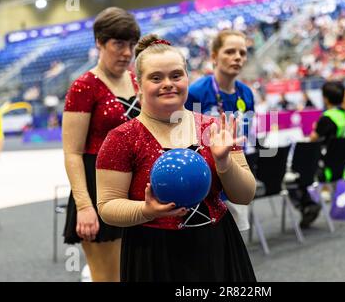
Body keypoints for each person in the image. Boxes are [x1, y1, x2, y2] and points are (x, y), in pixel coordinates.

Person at [95, 34, 256, 282]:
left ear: (187, 79)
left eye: (176, 75)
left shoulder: (214, 128)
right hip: (153, 254)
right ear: (138, 85)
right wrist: (146, 210)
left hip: (216, 246)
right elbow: (107, 207)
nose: (168, 84)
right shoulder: (121, 138)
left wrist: (224, 163)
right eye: (156, 78)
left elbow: (245, 195)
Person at [62, 7, 141, 282]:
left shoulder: (136, 80)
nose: (127, 53)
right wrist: (85, 206)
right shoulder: (84, 87)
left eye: (131, 45)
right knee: (108, 278)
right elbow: (72, 153)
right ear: (99, 42)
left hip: (135, 189)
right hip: (98, 190)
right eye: (118, 44)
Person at [185, 30, 255, 232]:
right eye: (230, 52)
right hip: (206, 180)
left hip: (235, 172)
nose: (237, 58)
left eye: (242, 53)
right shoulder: (196, 92)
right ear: (214, 56)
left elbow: (247, 135)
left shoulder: (247, 93)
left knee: (237, 240)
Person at [289, 82, 345, 228]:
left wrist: (315, 131)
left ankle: (307, 205)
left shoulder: (327, 118)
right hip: (343, 168)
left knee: (293, 175)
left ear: (326, 99)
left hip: (324, 171)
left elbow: (312, 141)